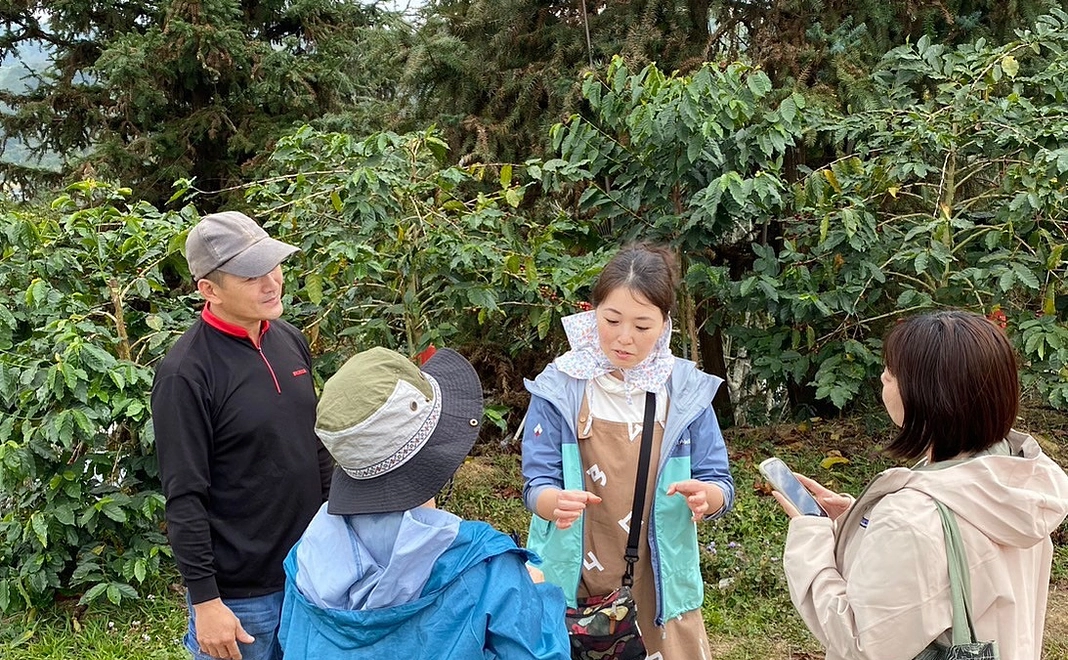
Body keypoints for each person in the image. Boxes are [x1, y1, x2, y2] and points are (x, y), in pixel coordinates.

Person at [774, 310, 1068, 660]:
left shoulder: (911, 517)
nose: (883, 377)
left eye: (892, 372)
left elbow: (863, 643)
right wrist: (861, 523)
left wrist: (811, 542)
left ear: (930, 395)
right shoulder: (1018, 478)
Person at [279, 346, 571, 660]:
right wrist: (537, 591)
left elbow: (292, 643)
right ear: (439, 451)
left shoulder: (305, 560)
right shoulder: (487, 568)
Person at [521, 243, 735, 659]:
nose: (624, 338)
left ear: (664, 324)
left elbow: (719, 481)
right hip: (574, 569)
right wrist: (551, 503)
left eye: (642, 325)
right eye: (612, 319)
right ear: (592, 311)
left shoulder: (685, 391)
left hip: (659, 576)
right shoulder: (559, 386)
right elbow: (536, 481)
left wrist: (707, 498)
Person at [152, 211, 333, 660]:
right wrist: (206, 602)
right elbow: (184, 496)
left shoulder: (289, 339)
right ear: (209, 290)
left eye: (274, 265)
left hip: (310, 576)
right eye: (251, 274)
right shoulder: (186, 374)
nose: (272, 282)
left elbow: (315, 446)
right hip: (242, 599)